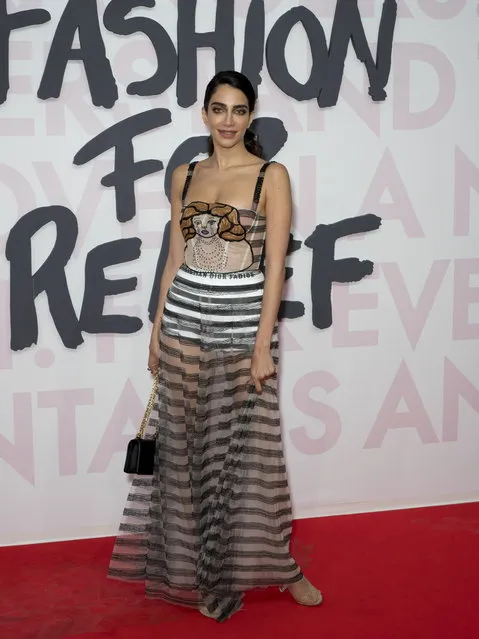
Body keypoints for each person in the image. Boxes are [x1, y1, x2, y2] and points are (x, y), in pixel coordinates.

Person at [108, 70, 322, 622]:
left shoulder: (270, 176)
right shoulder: (183, 175)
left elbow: (276, 268)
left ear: (250, 117)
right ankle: (208, 575)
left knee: (250, 458)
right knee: (185, 455)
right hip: (183, 328)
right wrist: (157, 328)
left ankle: (282, 566)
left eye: (239, 110)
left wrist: (261, 345)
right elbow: (174, 261)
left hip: (239, 333)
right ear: (204, 113)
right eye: (218, 109)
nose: (228, 120)